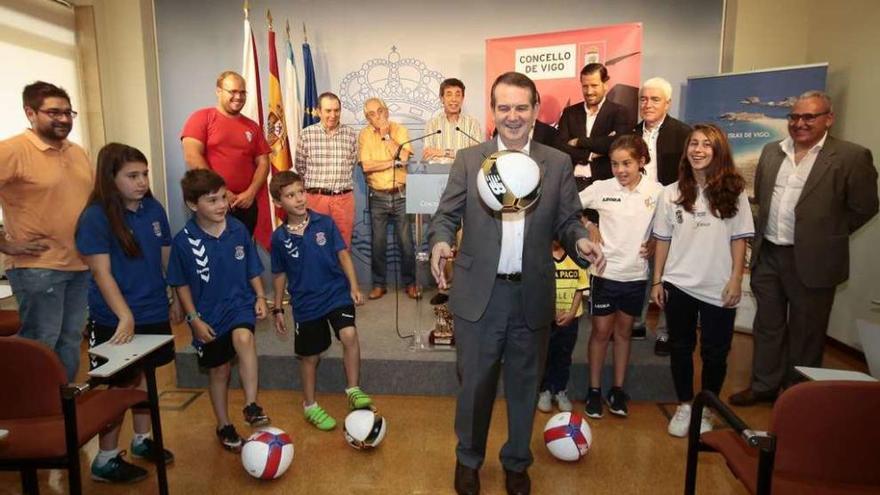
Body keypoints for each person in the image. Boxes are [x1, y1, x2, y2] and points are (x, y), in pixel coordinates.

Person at [429, 71, 605, 495]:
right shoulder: (470, 161)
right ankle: (468, 459)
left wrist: (581, 241)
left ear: (535, 109)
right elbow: (445, 216)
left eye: (521, 107)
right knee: (474, 386)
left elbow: (566, 220)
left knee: (526, 387)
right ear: (492, 111)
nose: (512, 116)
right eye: (504, 107)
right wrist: (438, 242)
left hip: (531, 295)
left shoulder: (556, 162)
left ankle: (517, 463)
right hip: (478, 298)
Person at [729, 91, 878, 406]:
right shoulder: (772, 151)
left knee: (807, 332)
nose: (800, 123)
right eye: (794, 117)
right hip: (769, 254)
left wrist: (827, 235)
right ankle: (764, 386)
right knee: (767, 325)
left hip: (813, 260)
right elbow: (762, 201)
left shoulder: (852, 156)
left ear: (829, 118)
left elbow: (865, 206)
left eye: (809, 117)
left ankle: (798, 397)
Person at [75, 143, 180, 482]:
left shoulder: (153, 208)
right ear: (111, 178)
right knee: (119, 387)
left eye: (145, 174)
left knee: (146, 379)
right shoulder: (95, 217)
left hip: (152, 309)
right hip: (114, 318)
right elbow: (101, 273)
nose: (141, 181)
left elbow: (166, 256)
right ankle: (105, 459)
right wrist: (124, 315)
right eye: (132, 176)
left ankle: (141, 440)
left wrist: (176, 293)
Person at [651, 124, 754, 438]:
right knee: (681, 347)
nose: (697, 150)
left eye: (706, 145)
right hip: (679, 284)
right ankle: (685, 405)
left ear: (718, 150)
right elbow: (663, 240)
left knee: (715, 352)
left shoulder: (734, 191)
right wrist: (657, 280)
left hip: (718, 287)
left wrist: (736, 279)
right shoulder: (670, 193)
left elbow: (739, 240)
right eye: (693, 144)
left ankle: (707, 408)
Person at [166, 169, 271, 451]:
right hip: (206, 315)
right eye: (212, 200)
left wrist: (260, 296)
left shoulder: (237, 229)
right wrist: (193, 319)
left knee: (244, 338)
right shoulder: (184, 241)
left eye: (223, 197)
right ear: (192, 205)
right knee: (220, 370)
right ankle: (223, 425)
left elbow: (251, 268)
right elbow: (181, 283)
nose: (222, 205)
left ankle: (251, 404)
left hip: (238, 304)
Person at [0, 81, 93, 380]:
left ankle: (60, 412)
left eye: (68, 112)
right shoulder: (12, 150)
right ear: (30, 112)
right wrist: (5, 244)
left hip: (79, 264)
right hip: (37, 268)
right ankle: (34, 413)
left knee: (69, 342)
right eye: (54, 112)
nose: (64, 119)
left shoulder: (77, 152)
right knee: (41, 345)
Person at [269, 171, 373, 431]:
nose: (299, 199)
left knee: (349, 334)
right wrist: (278, 307)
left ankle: (353, 389)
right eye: (290, 195)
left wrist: (354, 286)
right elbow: (279, 274)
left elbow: (343, 254)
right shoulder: (279, 238)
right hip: (306, 303)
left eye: (301, 192)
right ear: (278, 202)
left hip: (336, 292)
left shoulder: (325, 223)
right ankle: (310, 405)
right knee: (310, 357)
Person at [579, 135, 663, 418]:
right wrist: (588, 225)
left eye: (627, 163)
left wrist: (654, 241)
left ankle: (617, 390)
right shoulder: (602, 188)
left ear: (641, 161)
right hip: (604, 274)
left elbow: (665, 229)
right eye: (615, 164)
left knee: (624, 333)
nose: (621, 170)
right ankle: (593, 391)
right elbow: (568, 206)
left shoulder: (657, 192)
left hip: (636, 276)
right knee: (601, 332)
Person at [631, 77, 692, 352]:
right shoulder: (631, 133)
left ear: (668, 103)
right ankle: (637, 322)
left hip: (672, 211)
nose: (648, 104)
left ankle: (666, 331)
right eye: (644, 99)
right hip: (638, 211)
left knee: (668, 270)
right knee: (641, 265)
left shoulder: (683, 133)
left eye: (655, 99)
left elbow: (690, 174)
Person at [181, 71, 270, 236]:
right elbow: (192, 156)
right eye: (233, 91)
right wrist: (222, 193)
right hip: (211, 202)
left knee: (241, 252)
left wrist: (251, 192)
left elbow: (264, 162)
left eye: (242, 92)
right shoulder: (201, 118)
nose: (238, 97)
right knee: (212, 253)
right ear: (218, 91)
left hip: (245, 204)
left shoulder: (252, 126)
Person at [358, 97, 419, 300]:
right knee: (378, 243)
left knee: (406, 242)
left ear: (387, 111)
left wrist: (386, 137)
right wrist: (391, 162)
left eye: (380, 111)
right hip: (377, 195)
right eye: (372, 114)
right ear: (367, 118)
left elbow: (402, 158)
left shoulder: (399, 130)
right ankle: (378, 284)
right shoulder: (365, 135)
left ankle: (410, 283)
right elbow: (366, 166)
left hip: (401, 193)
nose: (377, 116)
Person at [294, 92, 358, 246]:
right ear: (318, 111)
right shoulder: (306, 135)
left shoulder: (350, 135)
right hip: (316, 200)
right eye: (328, 111)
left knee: (343, 246)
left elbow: (352, 163)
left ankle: (340, 272)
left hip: (343, 200)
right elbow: (300, 167)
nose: (333, 115)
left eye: (337, 110)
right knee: (314, 244)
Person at [558, 63, 635, 184]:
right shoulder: (570, 113)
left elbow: (617, 145)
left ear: (605, 85)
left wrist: (579, 141)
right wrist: (588, 154)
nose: (589, 91)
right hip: (571, 183)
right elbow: (560, 147)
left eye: (594, 85)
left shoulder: (620, 112)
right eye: (585, 86)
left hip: (605, 184)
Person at [536, 240, 588, 415]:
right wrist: (552, 310)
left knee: (564, 355)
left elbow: (580, 288)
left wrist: (572, 312)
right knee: (546, 354)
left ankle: (560, 390)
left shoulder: (576, 257)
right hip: (548, 317)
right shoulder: (543, 258)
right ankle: (545, 390)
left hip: (570, 318)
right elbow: (540, 288)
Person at [422, 78, 482, 163]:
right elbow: (428, 155)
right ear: (442, 98)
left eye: (457, 95)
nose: (454, 99)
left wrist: (442, 152)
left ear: (462, 98)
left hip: (466, 175)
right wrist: (460, 157)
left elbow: (476, 154)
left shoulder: (473, 124)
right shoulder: (432, 124)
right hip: (439, 175)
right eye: (449, 94)